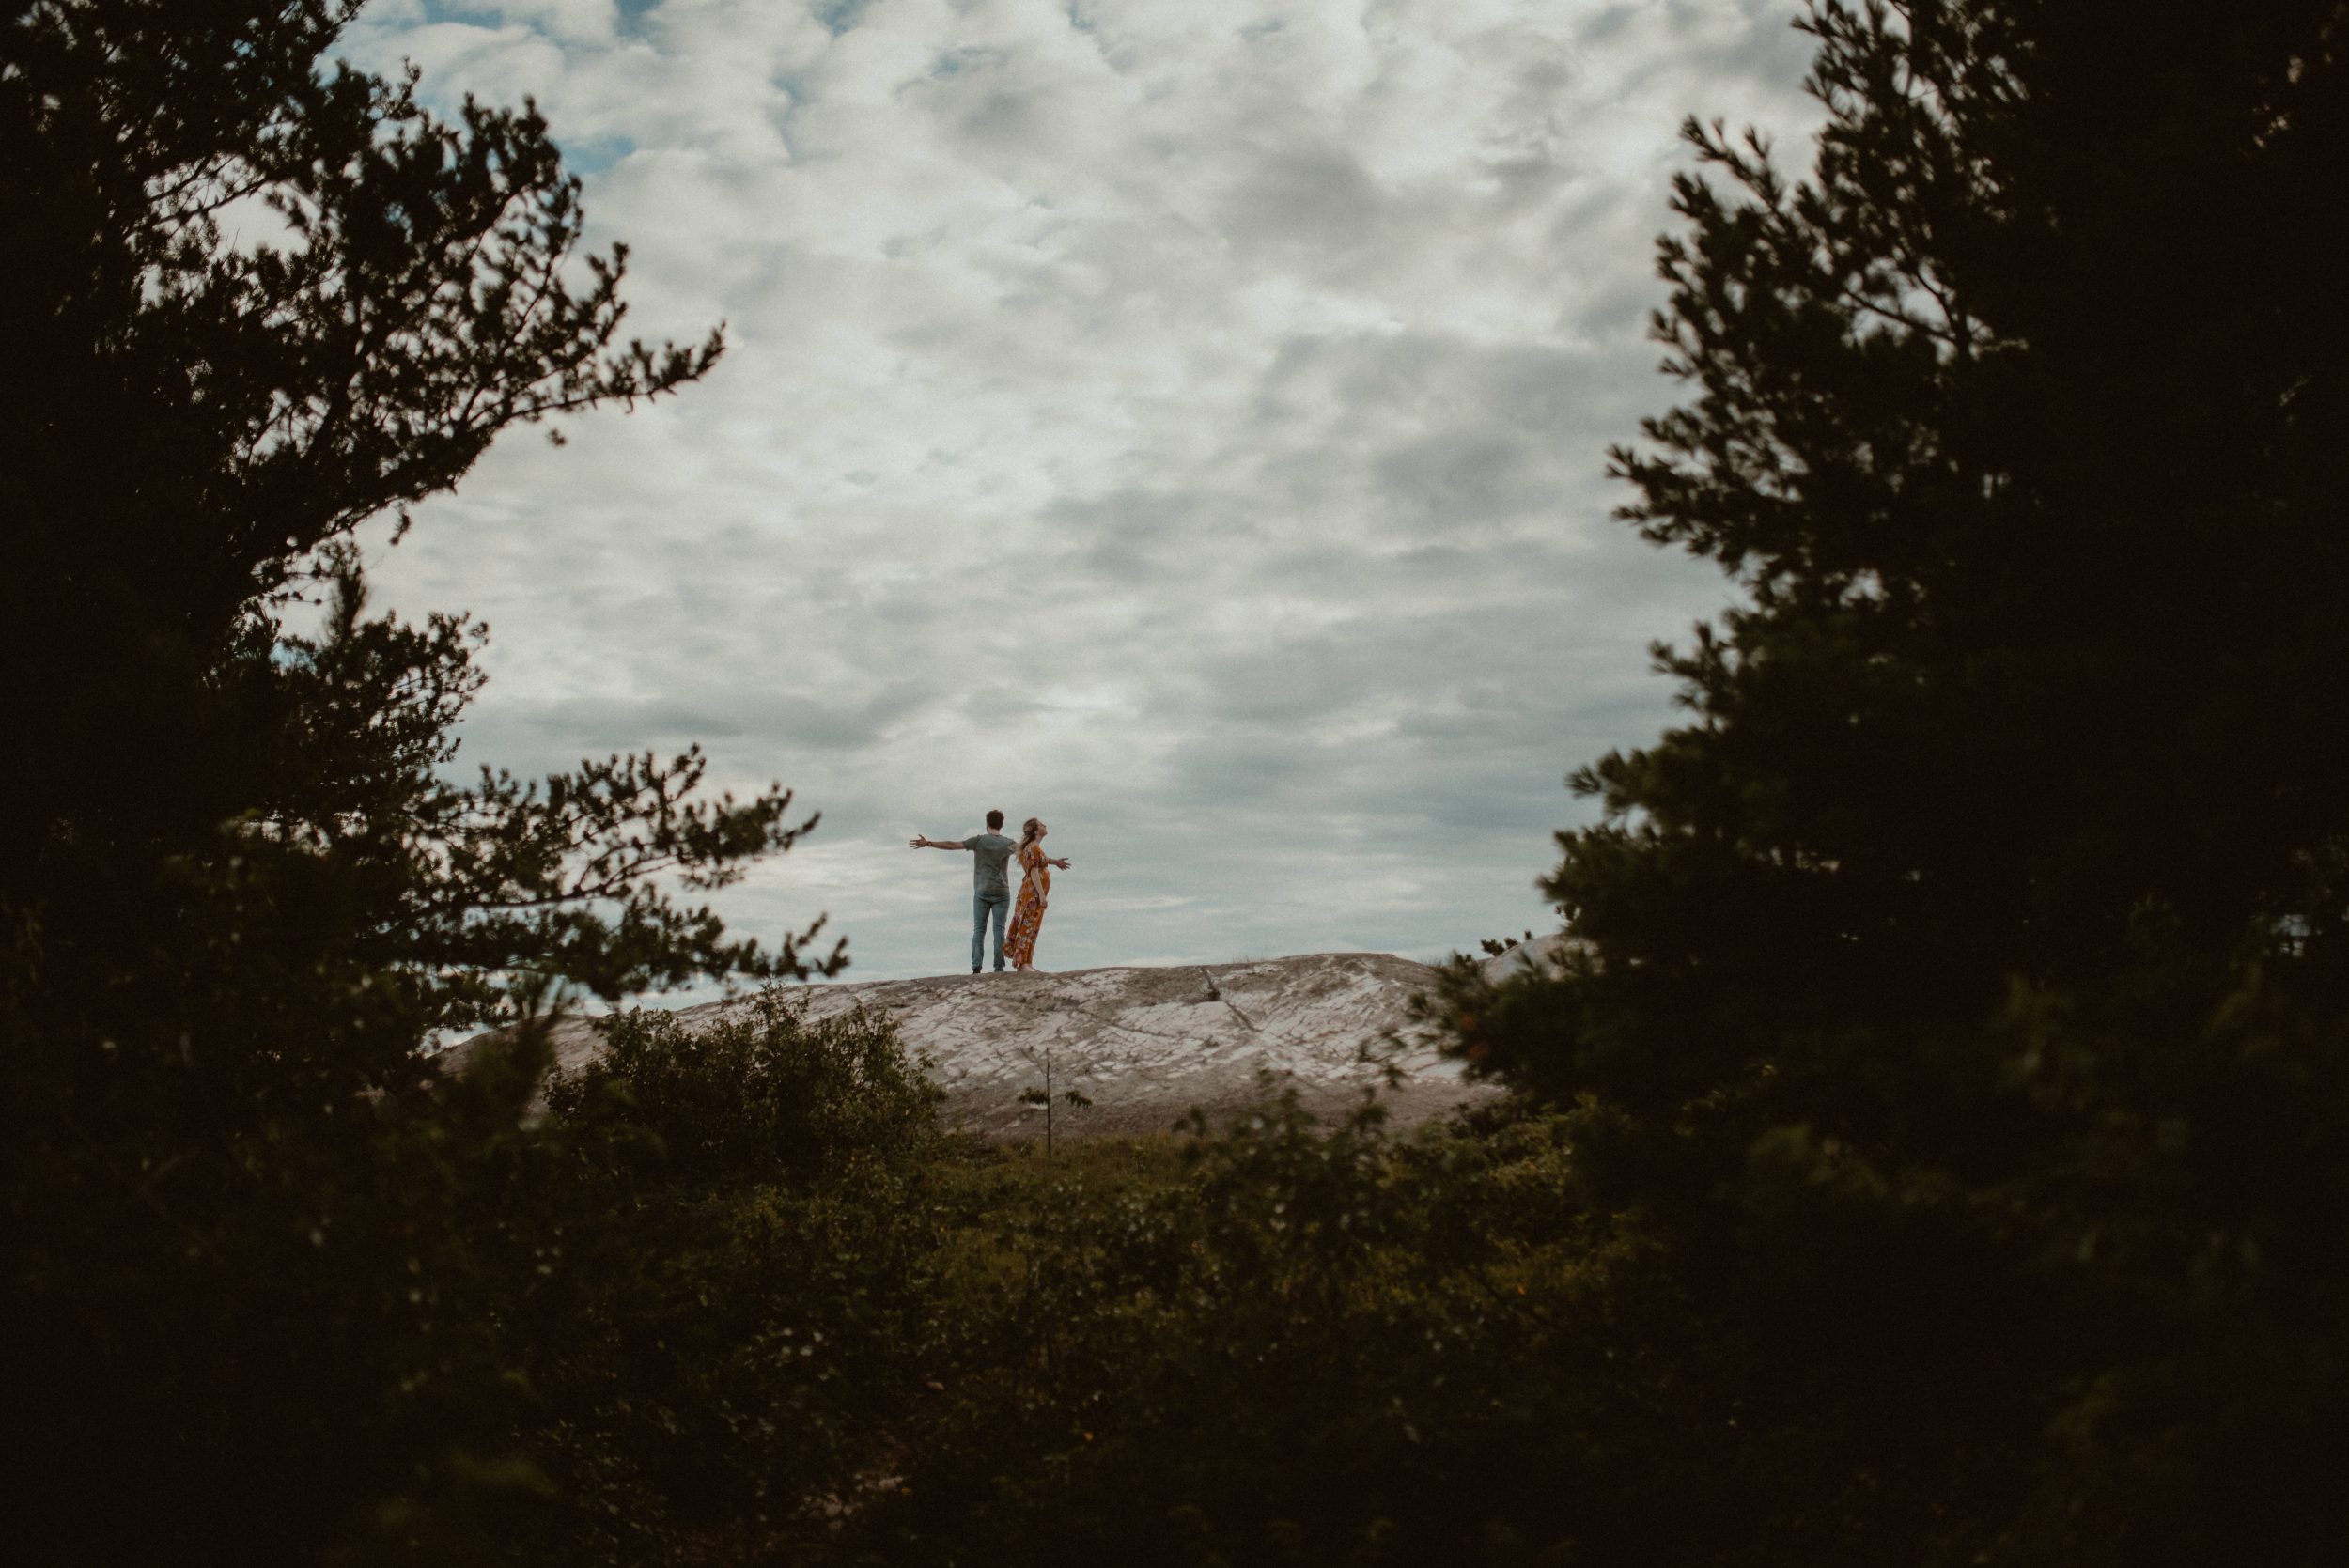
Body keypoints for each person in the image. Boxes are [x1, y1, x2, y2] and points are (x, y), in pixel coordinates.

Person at [910, 810, 1020, 973]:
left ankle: (976, 966)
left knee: (979, 929)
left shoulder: (979, 841)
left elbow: (952, 845)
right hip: (1002, 892)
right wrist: (1053, 862)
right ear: (1001, 824)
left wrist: (929, 843)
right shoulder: (1009, 843)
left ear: (987, 823)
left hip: (982, 891)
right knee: (999, 930)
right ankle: (998, 967)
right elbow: (1030, 854)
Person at [1004, 816, 1071, 972]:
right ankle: (1022, 964)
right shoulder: (1032, 847)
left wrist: (1056, 862)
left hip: (1032, 893)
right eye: (1041, 825)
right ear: (1035, 830)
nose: (1045, 825)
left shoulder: (1033, 848)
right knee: (1027, 926)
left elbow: (1042, 860)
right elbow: (1034, 871)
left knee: (1032, 926)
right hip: (1032, 894)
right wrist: (1042, 895)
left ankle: (1027, 962)